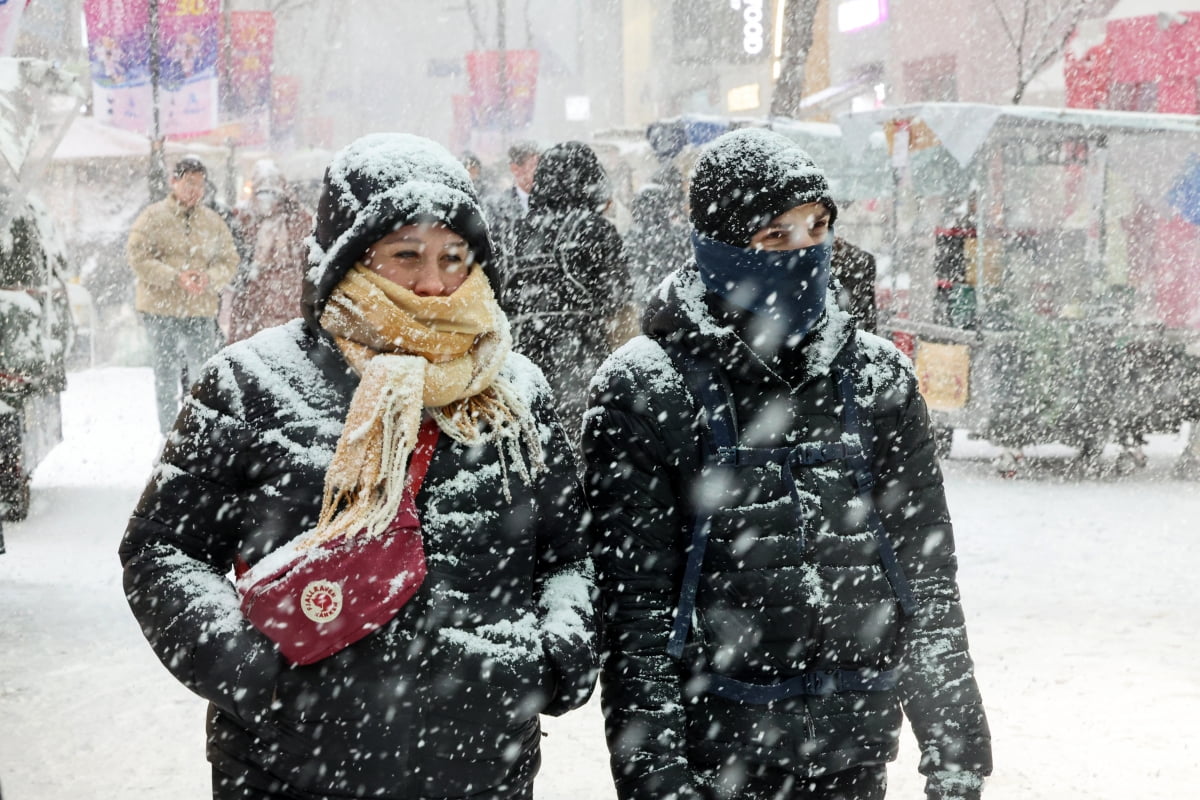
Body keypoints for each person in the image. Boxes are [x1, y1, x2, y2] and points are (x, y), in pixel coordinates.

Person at [119, 133, 599, 800]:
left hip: (480, 763)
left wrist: (551, 659)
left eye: (453, 257)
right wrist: (257, 671)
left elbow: (569, 558)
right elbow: (163, 551)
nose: (434, 281)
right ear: (349, 258)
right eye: (407, 255)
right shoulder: (249, 384)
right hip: (290, 768)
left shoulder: (514, 392)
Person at [584, 129, 992, 800]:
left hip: (852, 748)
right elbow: (637, 617)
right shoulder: (645, 391)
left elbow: (925, 582)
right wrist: (655, 778)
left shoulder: (877, 380)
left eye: (818, 229)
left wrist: (957, 752)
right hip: (715, 757)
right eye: (776, 237)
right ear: (719, 249)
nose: (805, 253)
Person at [501, 140, 632, 437]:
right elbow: (620, 307)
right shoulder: (595, 228)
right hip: (584, 366)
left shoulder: (512, 232)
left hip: (520, 376)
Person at [126, 155, 239, 433]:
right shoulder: (152, 217)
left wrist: (208, 277)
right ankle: (169, 436)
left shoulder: (213, 222)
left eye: (200, 184)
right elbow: (138, 257)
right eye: (189, 183)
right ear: (173, 182)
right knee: (165, 373)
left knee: (201, 375)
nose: (195, 191)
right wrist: (175, 277)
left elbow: (229, 260)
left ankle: (197, 433)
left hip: (200, 309)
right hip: (160, 309)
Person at [224, 160, 313, 343]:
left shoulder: (297, 215)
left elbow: (308, 250)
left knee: (287, 341)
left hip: (288, 290)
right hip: (254, 288)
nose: (267, 198)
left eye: (272, 192)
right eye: (262, 191)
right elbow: (233, 250)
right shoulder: (243, 215)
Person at [623, 182, 690, 310]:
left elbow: (634, 280)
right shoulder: (682, 236)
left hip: (649, 307)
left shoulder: (630, 241)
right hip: (680, 304)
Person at [484, 140, 541, 257]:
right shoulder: (496, 208)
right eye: (533, 166)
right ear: (515, 169)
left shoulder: (551, 203)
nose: (540, 171)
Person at [831, 235, 878, 333]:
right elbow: (869, 302)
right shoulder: (865, 259)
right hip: (858, 323)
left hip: (839, 325)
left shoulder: (822, 261)